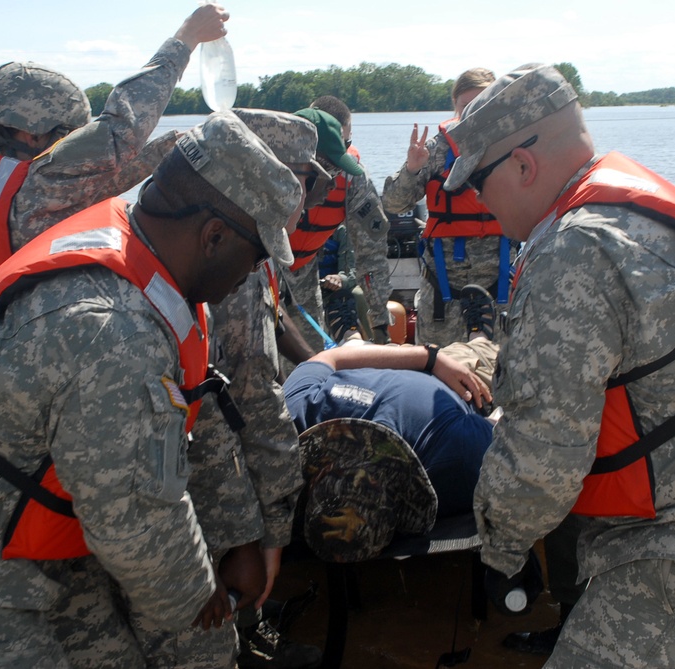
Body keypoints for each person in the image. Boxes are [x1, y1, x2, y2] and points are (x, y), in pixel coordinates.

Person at [0, 112, 303, 668]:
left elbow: (190, 428)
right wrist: (196, 595)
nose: (251, 277)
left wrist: (237, 542)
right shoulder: (112, 329)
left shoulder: (142, 245)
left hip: (18, 526)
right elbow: (133, 522)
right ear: (214, 235)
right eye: (254, 259)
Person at [443, 63, 675, 668]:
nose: (480, 203)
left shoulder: (572, 252)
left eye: (479, 183)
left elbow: (543, 456)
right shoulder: (628, 208)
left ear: (521, 165)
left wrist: (501, 549)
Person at [169, 108, 329, 669]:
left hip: (216, 454)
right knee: (225, 580)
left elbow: (278, 317)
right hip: (213, 466)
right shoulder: (233, 257)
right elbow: (253, 401)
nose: (302, 197)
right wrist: (272, 531)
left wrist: (323, 363)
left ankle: (248, 620)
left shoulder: (236, 237)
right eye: (298, 179)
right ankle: (245, 637)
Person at [0, 3, 229, 299]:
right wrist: (186, 37)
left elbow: (107, 178)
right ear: (28, 135)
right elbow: (122, 130)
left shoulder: (14, 189)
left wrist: (180, 144)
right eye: (68, 136)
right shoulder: (40, 185)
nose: (74, 146)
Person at [283, 341, 496, 527]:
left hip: (412, 360)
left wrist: (430, 358)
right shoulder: (456, 458)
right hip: (464, 383)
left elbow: (329, 357)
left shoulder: (294, 418)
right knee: (488, 355)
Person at [382, 67, 515, 344]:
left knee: (501, 369)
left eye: (483, 104)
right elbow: (394, 203)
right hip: (443, 284)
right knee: (436, 365)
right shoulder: (436, 148)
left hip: (501, 282)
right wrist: (412, 169)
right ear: (455, 105)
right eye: (466, 105)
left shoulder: (514, 145)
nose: (473, 113)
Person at [282, 98, 394, 351]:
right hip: (260, 273)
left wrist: (380, 324)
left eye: (344, 144)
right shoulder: (272, 167)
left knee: (308, 358)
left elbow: (371, 251)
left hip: (305, 276)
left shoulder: (353, 177)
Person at [317, 224, 373, 342]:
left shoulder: (340, 231)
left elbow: (350, 270)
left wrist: (340, 278)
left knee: (358, 295)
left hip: (335, 290)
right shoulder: (296, 228)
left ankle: (374, 341)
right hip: (304, 290)